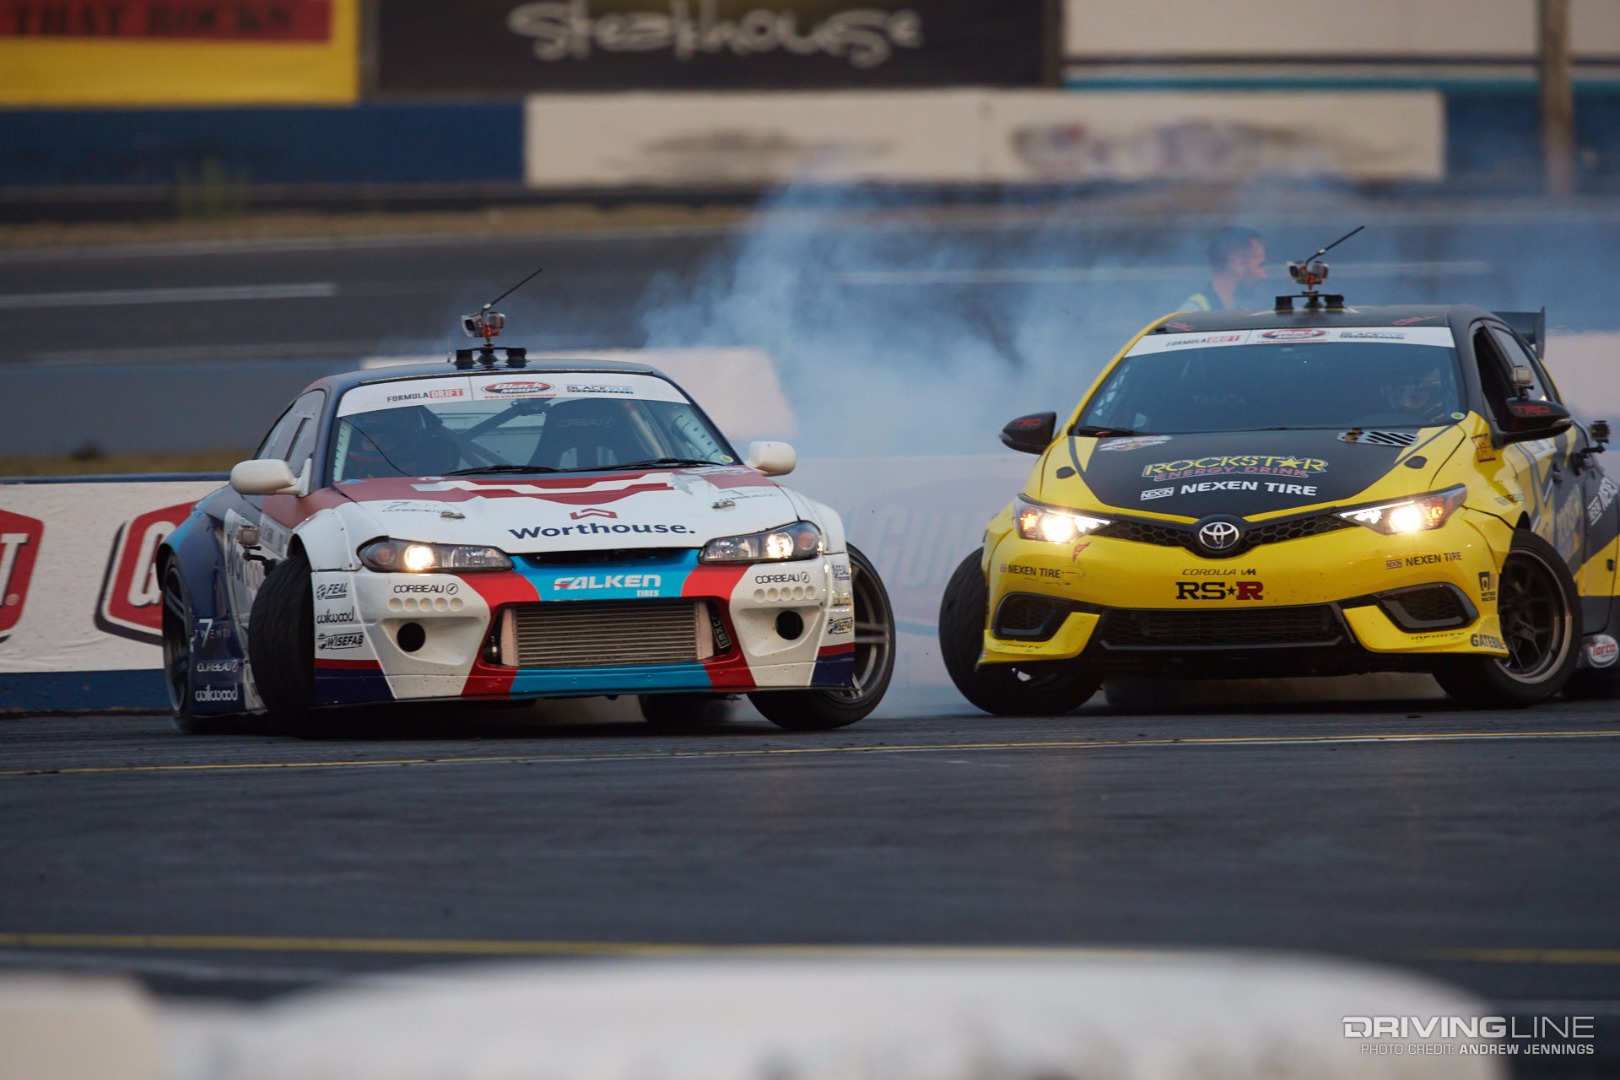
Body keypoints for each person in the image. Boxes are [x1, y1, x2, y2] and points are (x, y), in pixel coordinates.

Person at [1182, 226, 1267, 311]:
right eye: (1260, 265)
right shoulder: (1193, 312)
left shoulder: (1239, 313)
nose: (1263, 276)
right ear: (1239, 265)